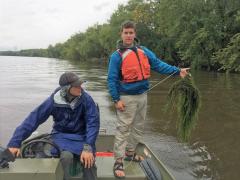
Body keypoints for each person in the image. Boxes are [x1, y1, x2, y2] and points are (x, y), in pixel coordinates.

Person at [107, 20, 189, 178]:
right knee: (123, 129)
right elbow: (111, 79)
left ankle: (130, 153)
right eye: (126, 33)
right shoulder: (116, 56)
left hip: (143, 96)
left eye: (131, 33)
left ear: (135, 34)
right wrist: (116, 99)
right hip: (126, 98)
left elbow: (158, 64)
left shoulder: (143, 50)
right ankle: (118, 161)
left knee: (138, 128)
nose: (129, 35)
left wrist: (177, 70)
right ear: (121, 34)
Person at [7, 72, 100, 180]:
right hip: (61, 135)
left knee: (89, 160)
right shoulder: (53, 101)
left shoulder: (86, 99)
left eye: (80, 84)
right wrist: (15, 142)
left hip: (82, 136)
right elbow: (33, 119)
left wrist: (88, 147)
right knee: (66, 157)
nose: (80, 87)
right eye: (76, 85)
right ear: (66, 88)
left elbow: (93, 123)